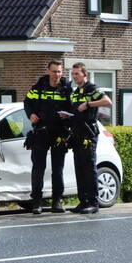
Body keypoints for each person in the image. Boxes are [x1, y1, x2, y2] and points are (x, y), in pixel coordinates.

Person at [24, 60, 73, 214]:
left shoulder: (67, 89)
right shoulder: (38, 87)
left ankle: (57, 202)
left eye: (59, 71)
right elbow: (27, 102)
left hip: (59, 133)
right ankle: (37, 202)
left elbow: (73, 108)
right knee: (38, 169)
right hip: (41, 132)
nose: (56, 74)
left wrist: (68, 117)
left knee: (58, 169)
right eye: (54, 71)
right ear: (48, 71)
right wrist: (30, 114)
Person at [68, 62, 112, 214]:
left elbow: (108, 101)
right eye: (73, 74)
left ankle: (93, 202)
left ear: (84, 75)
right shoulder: (75, 91)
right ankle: (83, 201)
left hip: (89, 133)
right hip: (77, 133)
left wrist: (88, 104)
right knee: (79, 168)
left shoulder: (92, 89)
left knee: (89, 168)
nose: (74, 76)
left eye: (77, 74)